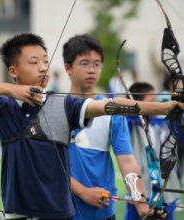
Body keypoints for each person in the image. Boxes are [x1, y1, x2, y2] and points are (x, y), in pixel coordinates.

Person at [0, 33, 181, 220]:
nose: (42, 68)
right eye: (33, 62)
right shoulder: (3, 107)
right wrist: (9, 90)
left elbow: (109, 106)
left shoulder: (64, 104)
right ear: (13, 71)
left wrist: (161, 109)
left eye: (46, 61)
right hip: (18, 212)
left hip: (62, 212)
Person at [62, 34, 169, 220]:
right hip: (61, 210)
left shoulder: (112, 113)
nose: (92, 70)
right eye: (85, 63)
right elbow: (47, 164)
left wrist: (140, 202)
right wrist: (82, 191)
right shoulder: (54, 107)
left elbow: (127, 161)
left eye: (97, 64)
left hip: (101, 212)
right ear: (68, 67)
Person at [124, 82, 182, 220]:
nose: (156, 105)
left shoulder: (161, 124)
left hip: (164, 191)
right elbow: (126, 113)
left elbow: (181, 123)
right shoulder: (129, 124)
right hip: (140, 193)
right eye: (151, 102)